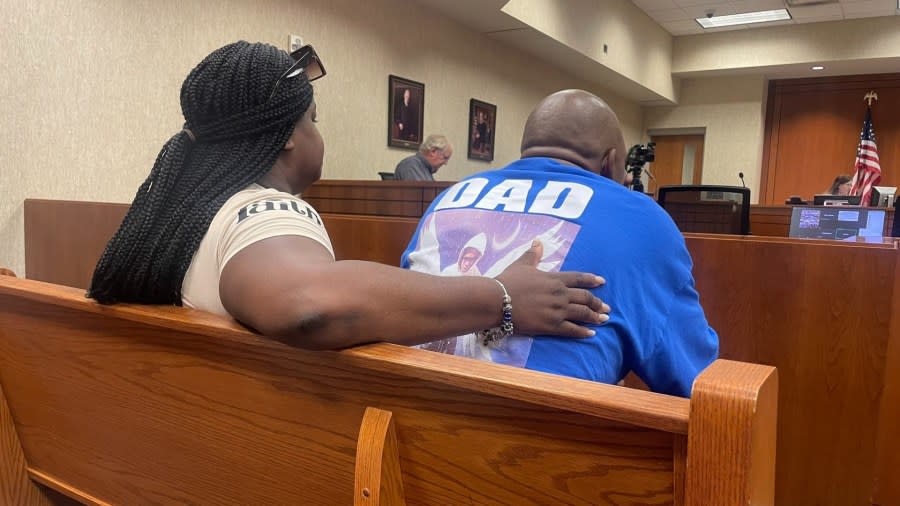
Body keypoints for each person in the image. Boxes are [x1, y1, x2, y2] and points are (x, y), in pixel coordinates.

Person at [87, 42, 609, 351]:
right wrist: (501, 297)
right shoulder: (262, 212)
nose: (318, 135)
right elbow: (309, 304)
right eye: (313, 121)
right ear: (288, 135)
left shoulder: (177, 215)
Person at [402, 89, 719, 397]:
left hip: (398, 425)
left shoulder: (449, 198)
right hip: (537, 441)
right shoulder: (643, 219)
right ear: (610, 163)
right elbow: (697, 383)